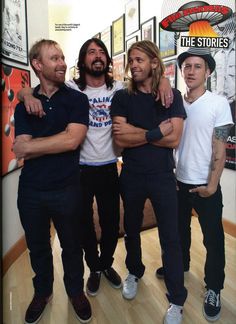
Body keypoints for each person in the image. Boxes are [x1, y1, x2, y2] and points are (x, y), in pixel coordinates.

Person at [17, 38, 174, 297]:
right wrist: (24, 93)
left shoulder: (120, 90)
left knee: (112, 223)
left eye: (102, 52)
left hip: (109, 166)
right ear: (83, 60)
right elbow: (34, 90)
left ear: (108, 60)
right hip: (78, 169)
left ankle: (106, 264)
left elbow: (149, 81)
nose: (98, 56)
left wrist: (165, 80)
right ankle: (93, 267)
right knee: (83, 224)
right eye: (91, 52)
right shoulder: (70, 89)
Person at [13, 39, 92, 324]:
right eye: (54, 58)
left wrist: (36, 145)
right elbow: (19, 148)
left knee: (72, 246)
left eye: (62, 57)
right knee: (38, 247)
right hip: (31, 191)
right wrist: (53, 141)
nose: (62, 63)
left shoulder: (76, 99)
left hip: (67, 188)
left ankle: (75, 291)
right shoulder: (24, 105)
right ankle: (42, 292)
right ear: (37, 64)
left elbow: (73, 140)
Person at [110, 40, 187, 324]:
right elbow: (120, 138)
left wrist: (136, 133)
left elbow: (175, 138)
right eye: (132, 60)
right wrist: (155, 133)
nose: (134, 64)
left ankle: (177, 299)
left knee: (171, 237)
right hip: (131, 175)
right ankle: (134, 271)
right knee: (130, 228)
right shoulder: (122, 97)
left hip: (163, 176)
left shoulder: (171, 96)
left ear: (154, 63)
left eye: (140, 59)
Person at [155, 47, 234, 322]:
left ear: (208, 71)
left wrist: (212, 184)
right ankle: (181, 265)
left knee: (213, 240)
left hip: (205, 185)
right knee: (177, 235)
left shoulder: (218, 103)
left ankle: (213, 287)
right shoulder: (175, 102)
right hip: (177, 182)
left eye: (197, 66)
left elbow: (220, 148)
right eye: (186, 66)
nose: (190, 71)